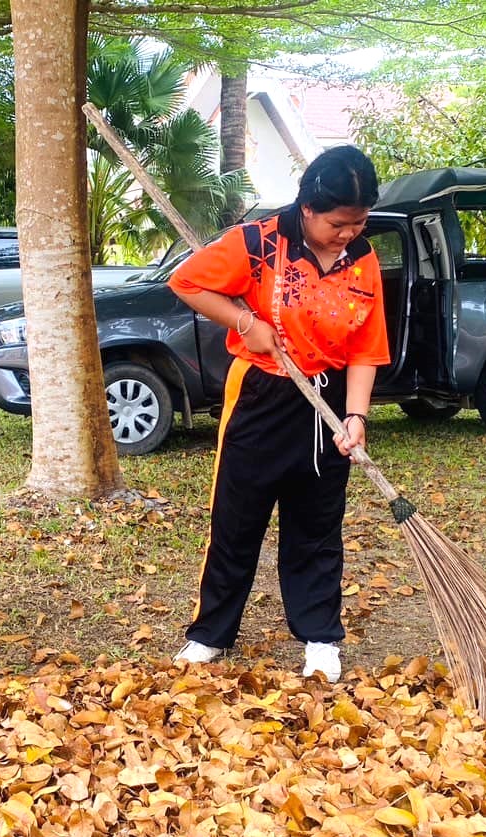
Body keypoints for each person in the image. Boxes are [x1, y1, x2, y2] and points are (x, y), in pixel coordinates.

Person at [167, 145, 389, 681]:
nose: (348, 234)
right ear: (308, 208)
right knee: (236, 520)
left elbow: (365, 347)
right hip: (261, 396)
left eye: (359, 223)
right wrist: (246, 324)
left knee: (317, 524)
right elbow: (187, 282)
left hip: (326, 401)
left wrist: (356, 418)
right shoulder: (260, 243)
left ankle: (319, 636)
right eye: (338, 223)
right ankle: (211, 633)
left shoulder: (363, 260)